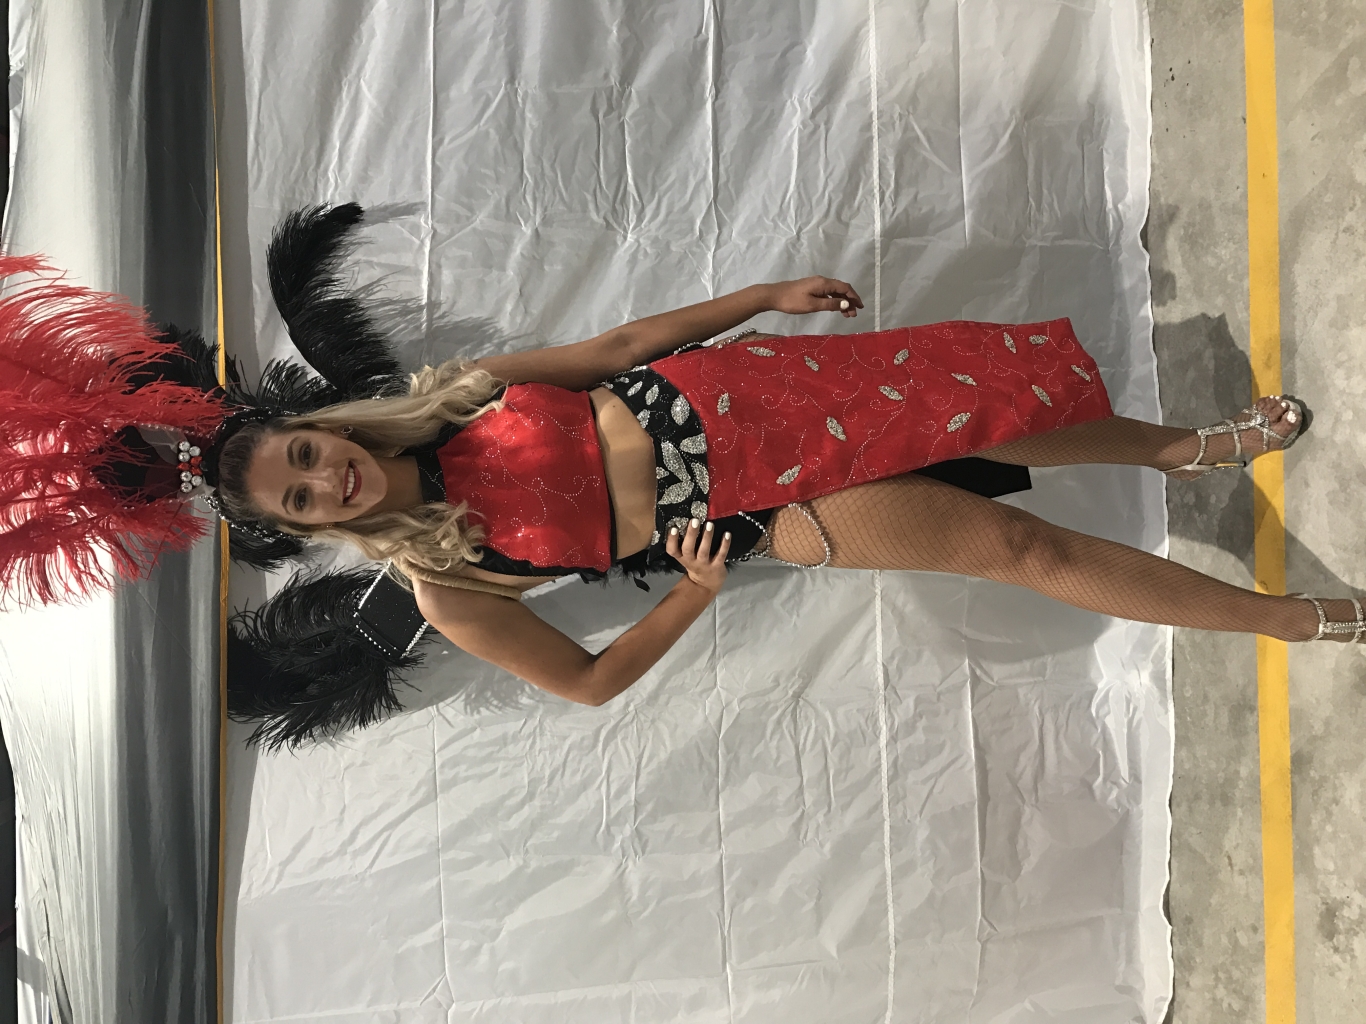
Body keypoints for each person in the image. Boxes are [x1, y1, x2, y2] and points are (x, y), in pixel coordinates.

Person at [208, 268, 1357, 717]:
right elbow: (589, 681)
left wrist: (760, 298)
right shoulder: (446, 587)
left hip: (758, 395)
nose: (324, 478)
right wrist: (692, 593)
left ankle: (1185, 449)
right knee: (1022, 551)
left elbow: (619, 345)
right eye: (301, 501)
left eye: (301, 454)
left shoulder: (458, 395)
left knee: (1004, 410)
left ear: (318, 426)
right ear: (309, 532)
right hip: (752, 511)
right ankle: (1287, 619)